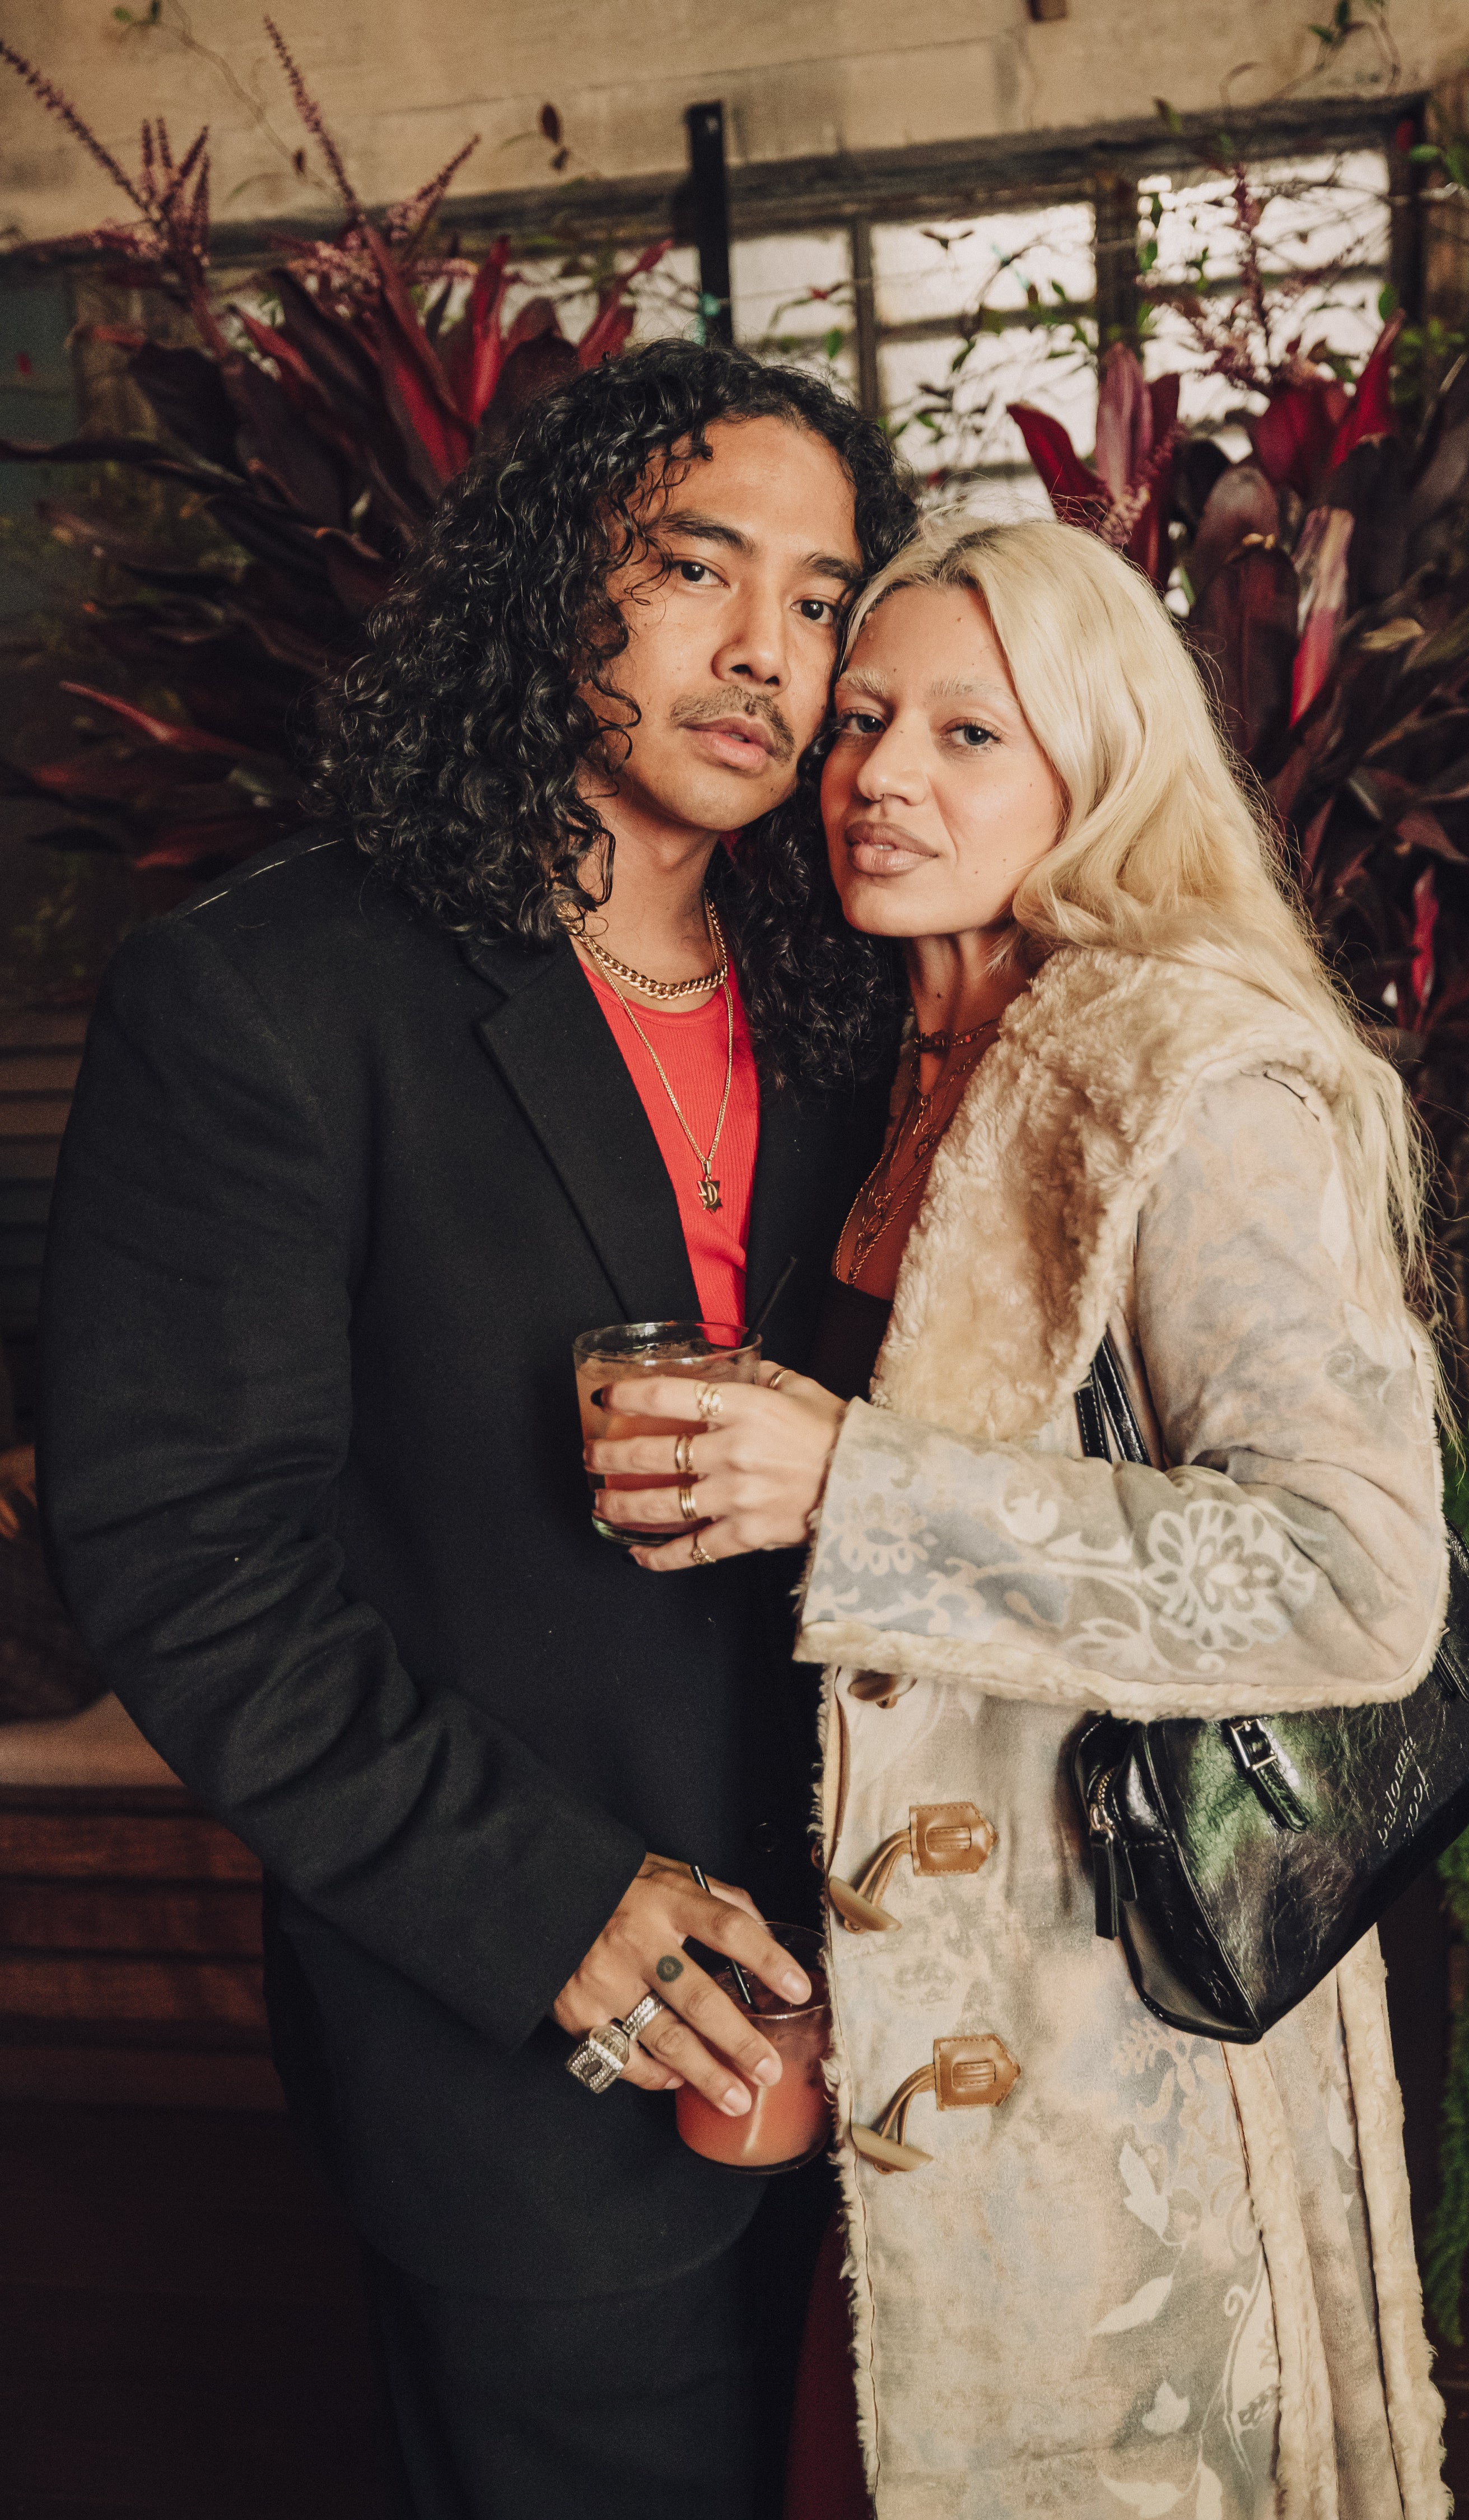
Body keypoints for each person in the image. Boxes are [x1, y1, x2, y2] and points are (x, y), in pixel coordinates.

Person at [36, 339, 916, 2520]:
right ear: (548, 579)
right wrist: (546, 1910)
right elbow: (183, 1556)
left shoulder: (865, 997)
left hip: (893, 2032)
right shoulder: (269, 995)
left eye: (820, 600)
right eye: (697, 566)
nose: (765, 649)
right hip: (529, 2046)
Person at [589, 517, 1453, 2517]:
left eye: (970, 732)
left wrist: (855, 1488)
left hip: (1108, 2050)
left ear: (1102, 763)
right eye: (863, 720)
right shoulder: (903, 1060)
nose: (882, 774)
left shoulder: (1189, 1071)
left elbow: (1357, 1579)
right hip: (880, 2031)